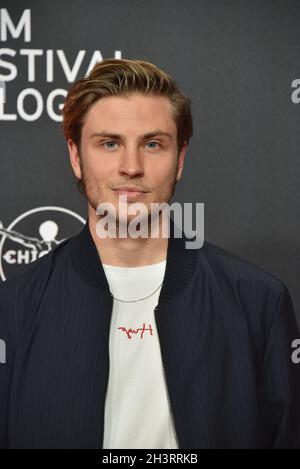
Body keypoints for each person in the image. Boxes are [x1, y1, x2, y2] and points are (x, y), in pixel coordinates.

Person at [0, 58, 299, 449]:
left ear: (181, 158)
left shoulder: (257, 301)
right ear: (75, 156)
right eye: (110, 143)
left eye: (153, 144)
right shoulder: (14, 307)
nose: (132, 167)